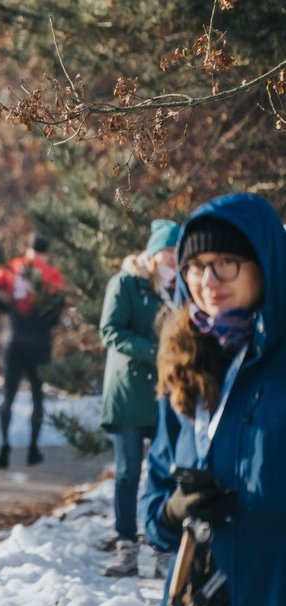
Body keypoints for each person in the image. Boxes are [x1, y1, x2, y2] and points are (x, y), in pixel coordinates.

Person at [141, 193, 286, 606]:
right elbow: (155, 499)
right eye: (195, 265)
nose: (208, 279)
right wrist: (172, 512)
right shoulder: (184, 365)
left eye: (226, 261)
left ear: (264, 264)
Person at [99, 219, 179, 577]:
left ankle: (164, 548)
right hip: (129, 391)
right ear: (153, 253)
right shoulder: (126, 283)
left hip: (166, 393)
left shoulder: (182, 289)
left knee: (165, 472)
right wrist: (158, 350)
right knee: (129, 472)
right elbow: (111, 331)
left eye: (179, 253)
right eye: (168, 253)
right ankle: (126, 546)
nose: (174, 260)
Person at [0, 233, 65, 468]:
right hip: (39, 341)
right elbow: (58, 305)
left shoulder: (12, 267)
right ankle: (33, 448)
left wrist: (8, 310)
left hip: (14, 338)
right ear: (46, 252)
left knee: (8, 396)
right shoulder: (50, 273)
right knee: (37, 397)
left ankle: (4, 444)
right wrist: (47, 322)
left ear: (27, 248)